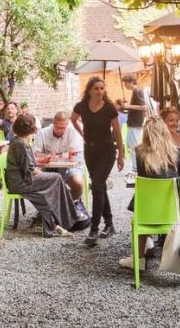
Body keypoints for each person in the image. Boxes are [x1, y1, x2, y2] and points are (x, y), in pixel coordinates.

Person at [119, 116, 180, 270]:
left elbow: (143, 180)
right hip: (173, 213)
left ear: (146, 133)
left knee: (140, 207)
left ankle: (139, 259)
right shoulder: (175, 152)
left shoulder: (139, 152)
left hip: (148, 214)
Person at [5, 114, 81, 237]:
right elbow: (30, 170)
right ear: (29, 129)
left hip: (19, 180)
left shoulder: (19, 141)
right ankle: (69, 218)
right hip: (21, 183)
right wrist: (47, 175)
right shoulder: (22, 144)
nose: (36, 129)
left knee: (56, 182)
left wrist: (42, 162)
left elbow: (26, 162)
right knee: (56, 179)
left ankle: (62, 220)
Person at [71, 76, 125, 247]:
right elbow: (73, 120)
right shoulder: (81, 106)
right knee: (99, 186)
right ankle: (109, 224)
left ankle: (94, 228)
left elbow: (117, 132)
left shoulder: (109, 108)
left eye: (102, 88)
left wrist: (121, 154)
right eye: (96, 88)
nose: (100, 91)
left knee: (96, 186)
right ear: (89, 90)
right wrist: (83, 135)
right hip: (90, 151)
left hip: (107, 151)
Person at [33, 111, 85, 201]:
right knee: (36, 178)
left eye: (63, 128)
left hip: (69, 168)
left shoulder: (73, 132)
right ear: (53, 123)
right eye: (57, 127)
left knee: (77, 183)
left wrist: (57, 156)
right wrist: (49, 156)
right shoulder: (42, 133)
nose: (60, 130)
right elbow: (35, 153)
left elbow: (75, 154)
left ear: (67, 124)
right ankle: (47, 207)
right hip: (47, 168)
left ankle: (71, 204)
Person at [116, 74, 147, 173]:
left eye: (125, 83)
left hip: (135, 122)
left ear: (130, 82)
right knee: (131, 145)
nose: (124, 85)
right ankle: (136, 167)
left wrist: (128, 106)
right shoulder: (135, 91)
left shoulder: (137, 91)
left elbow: (143, 107)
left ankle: (137, 168)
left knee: (135, 146)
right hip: (133, 122)